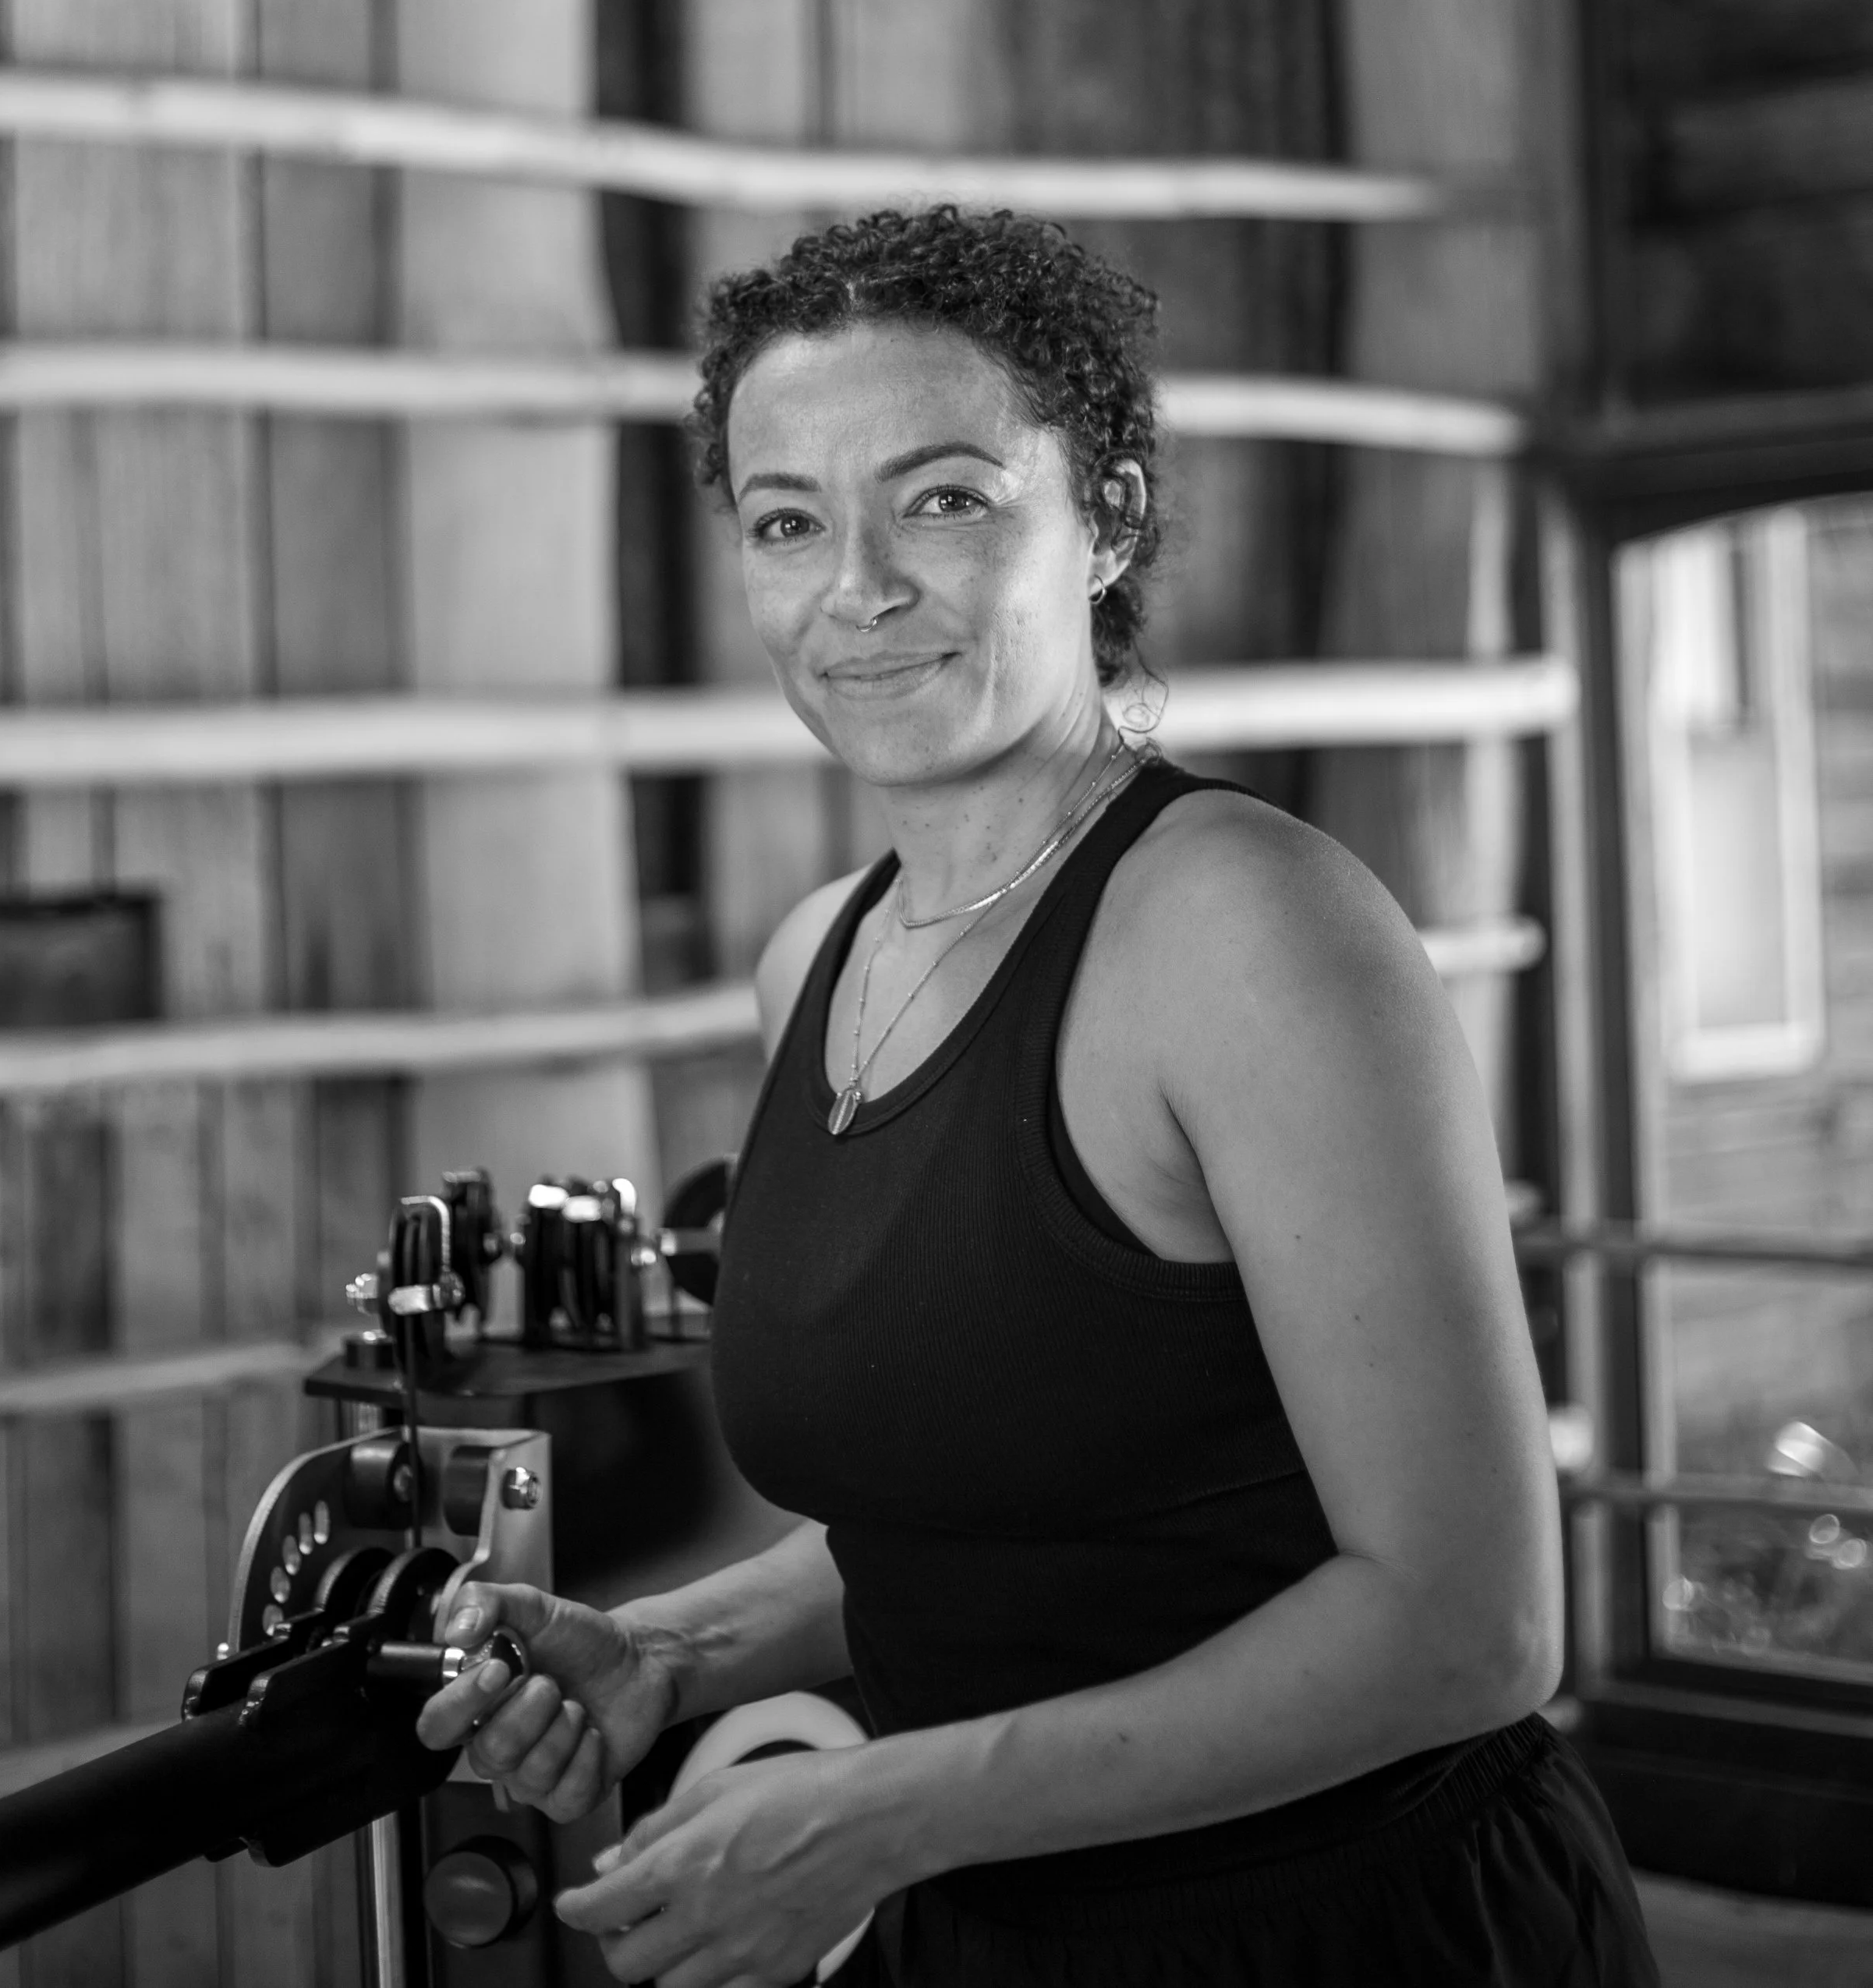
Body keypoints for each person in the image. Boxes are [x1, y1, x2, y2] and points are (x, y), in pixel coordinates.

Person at [419, 207, 1656, 1986]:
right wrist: (677, 1659)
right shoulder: (810, 966)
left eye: (942, 500)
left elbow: (1468, 1629)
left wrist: (889, 1809)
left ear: (1110, 520)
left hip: (1343, 1932)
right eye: (786, 522)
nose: (855, 587)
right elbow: (999, 1520)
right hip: (996, 1925)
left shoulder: (1245, 926)